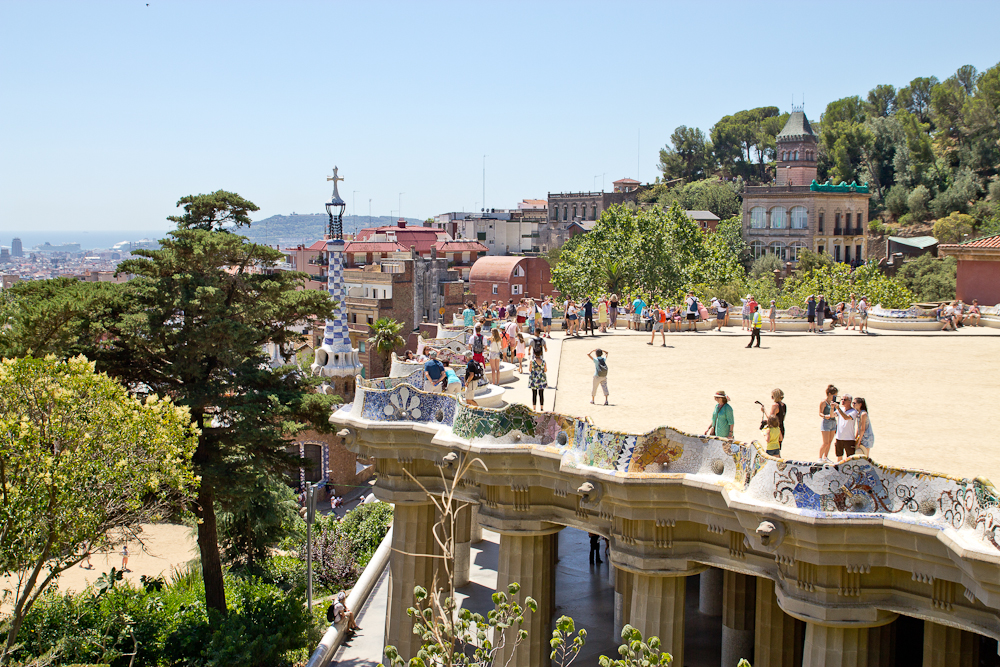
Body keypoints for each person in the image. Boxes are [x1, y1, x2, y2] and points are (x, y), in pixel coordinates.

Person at [831, 394, 858, 462]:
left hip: (849, 438)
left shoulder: (853, 411)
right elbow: (832, 415)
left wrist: (838, 409)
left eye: (844, 400)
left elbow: (846, 417)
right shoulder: (841, 409)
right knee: (839, 456)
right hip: (839, 437)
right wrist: (832, 407)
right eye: (842, 399)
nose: (842, 401)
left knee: (850, 458)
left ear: (849, 401)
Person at [818, 384, 837, 461]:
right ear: (829, 394)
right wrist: (826, 416)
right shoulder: (824, 402)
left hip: (833, 422)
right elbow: (820, 413)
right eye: (834, 395)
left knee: (829, 442)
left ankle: (825, 457)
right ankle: (819, 457)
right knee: (825, 442)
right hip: (826, 422)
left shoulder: (834, 402)